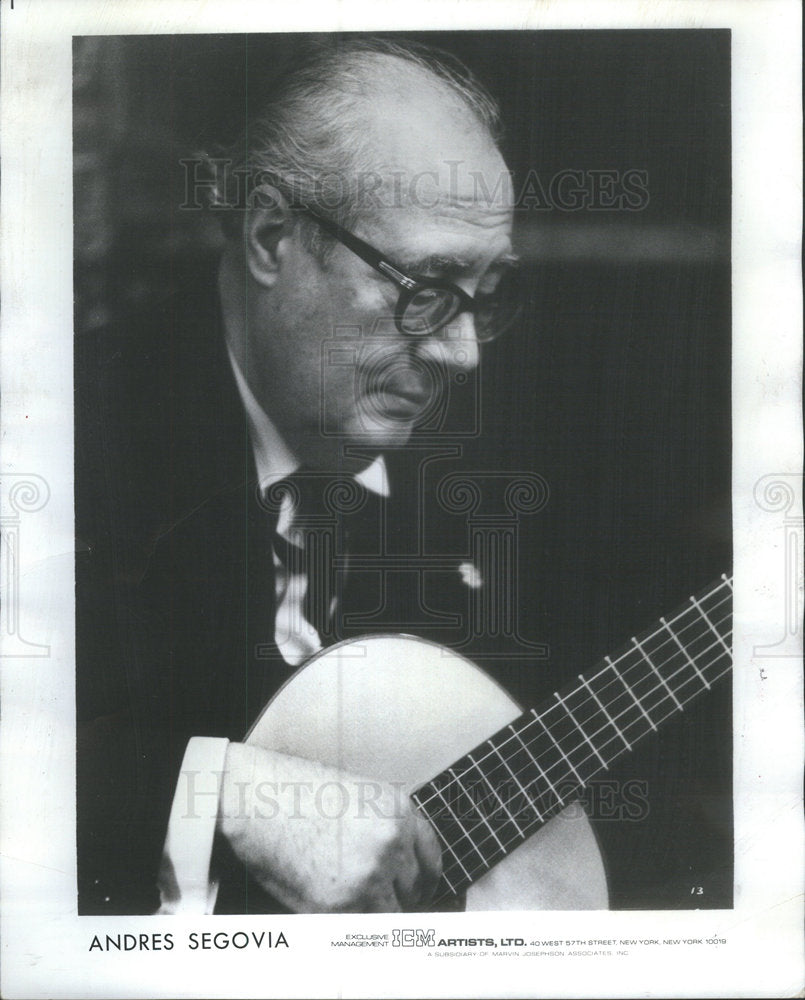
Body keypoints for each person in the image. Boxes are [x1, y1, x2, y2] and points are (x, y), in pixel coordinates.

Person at [77, 35, 731, 916]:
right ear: (271, 237)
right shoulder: (75, 439)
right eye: (426, 284)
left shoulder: (482, 479)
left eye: (484, 295)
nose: (462, 353)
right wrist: (223, 793)